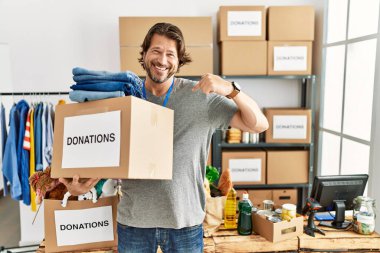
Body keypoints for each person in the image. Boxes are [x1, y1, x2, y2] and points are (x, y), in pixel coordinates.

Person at [59, 22, 268, 253]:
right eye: (156, 51)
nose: (163, 60)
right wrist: (85, 186)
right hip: (134, 223)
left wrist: (231, 89)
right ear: (145, 54)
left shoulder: (201, 97)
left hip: (185, 225)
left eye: (170, 54)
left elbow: (258, 124)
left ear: (179, 60)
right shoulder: (124, 97)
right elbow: (104, 151)